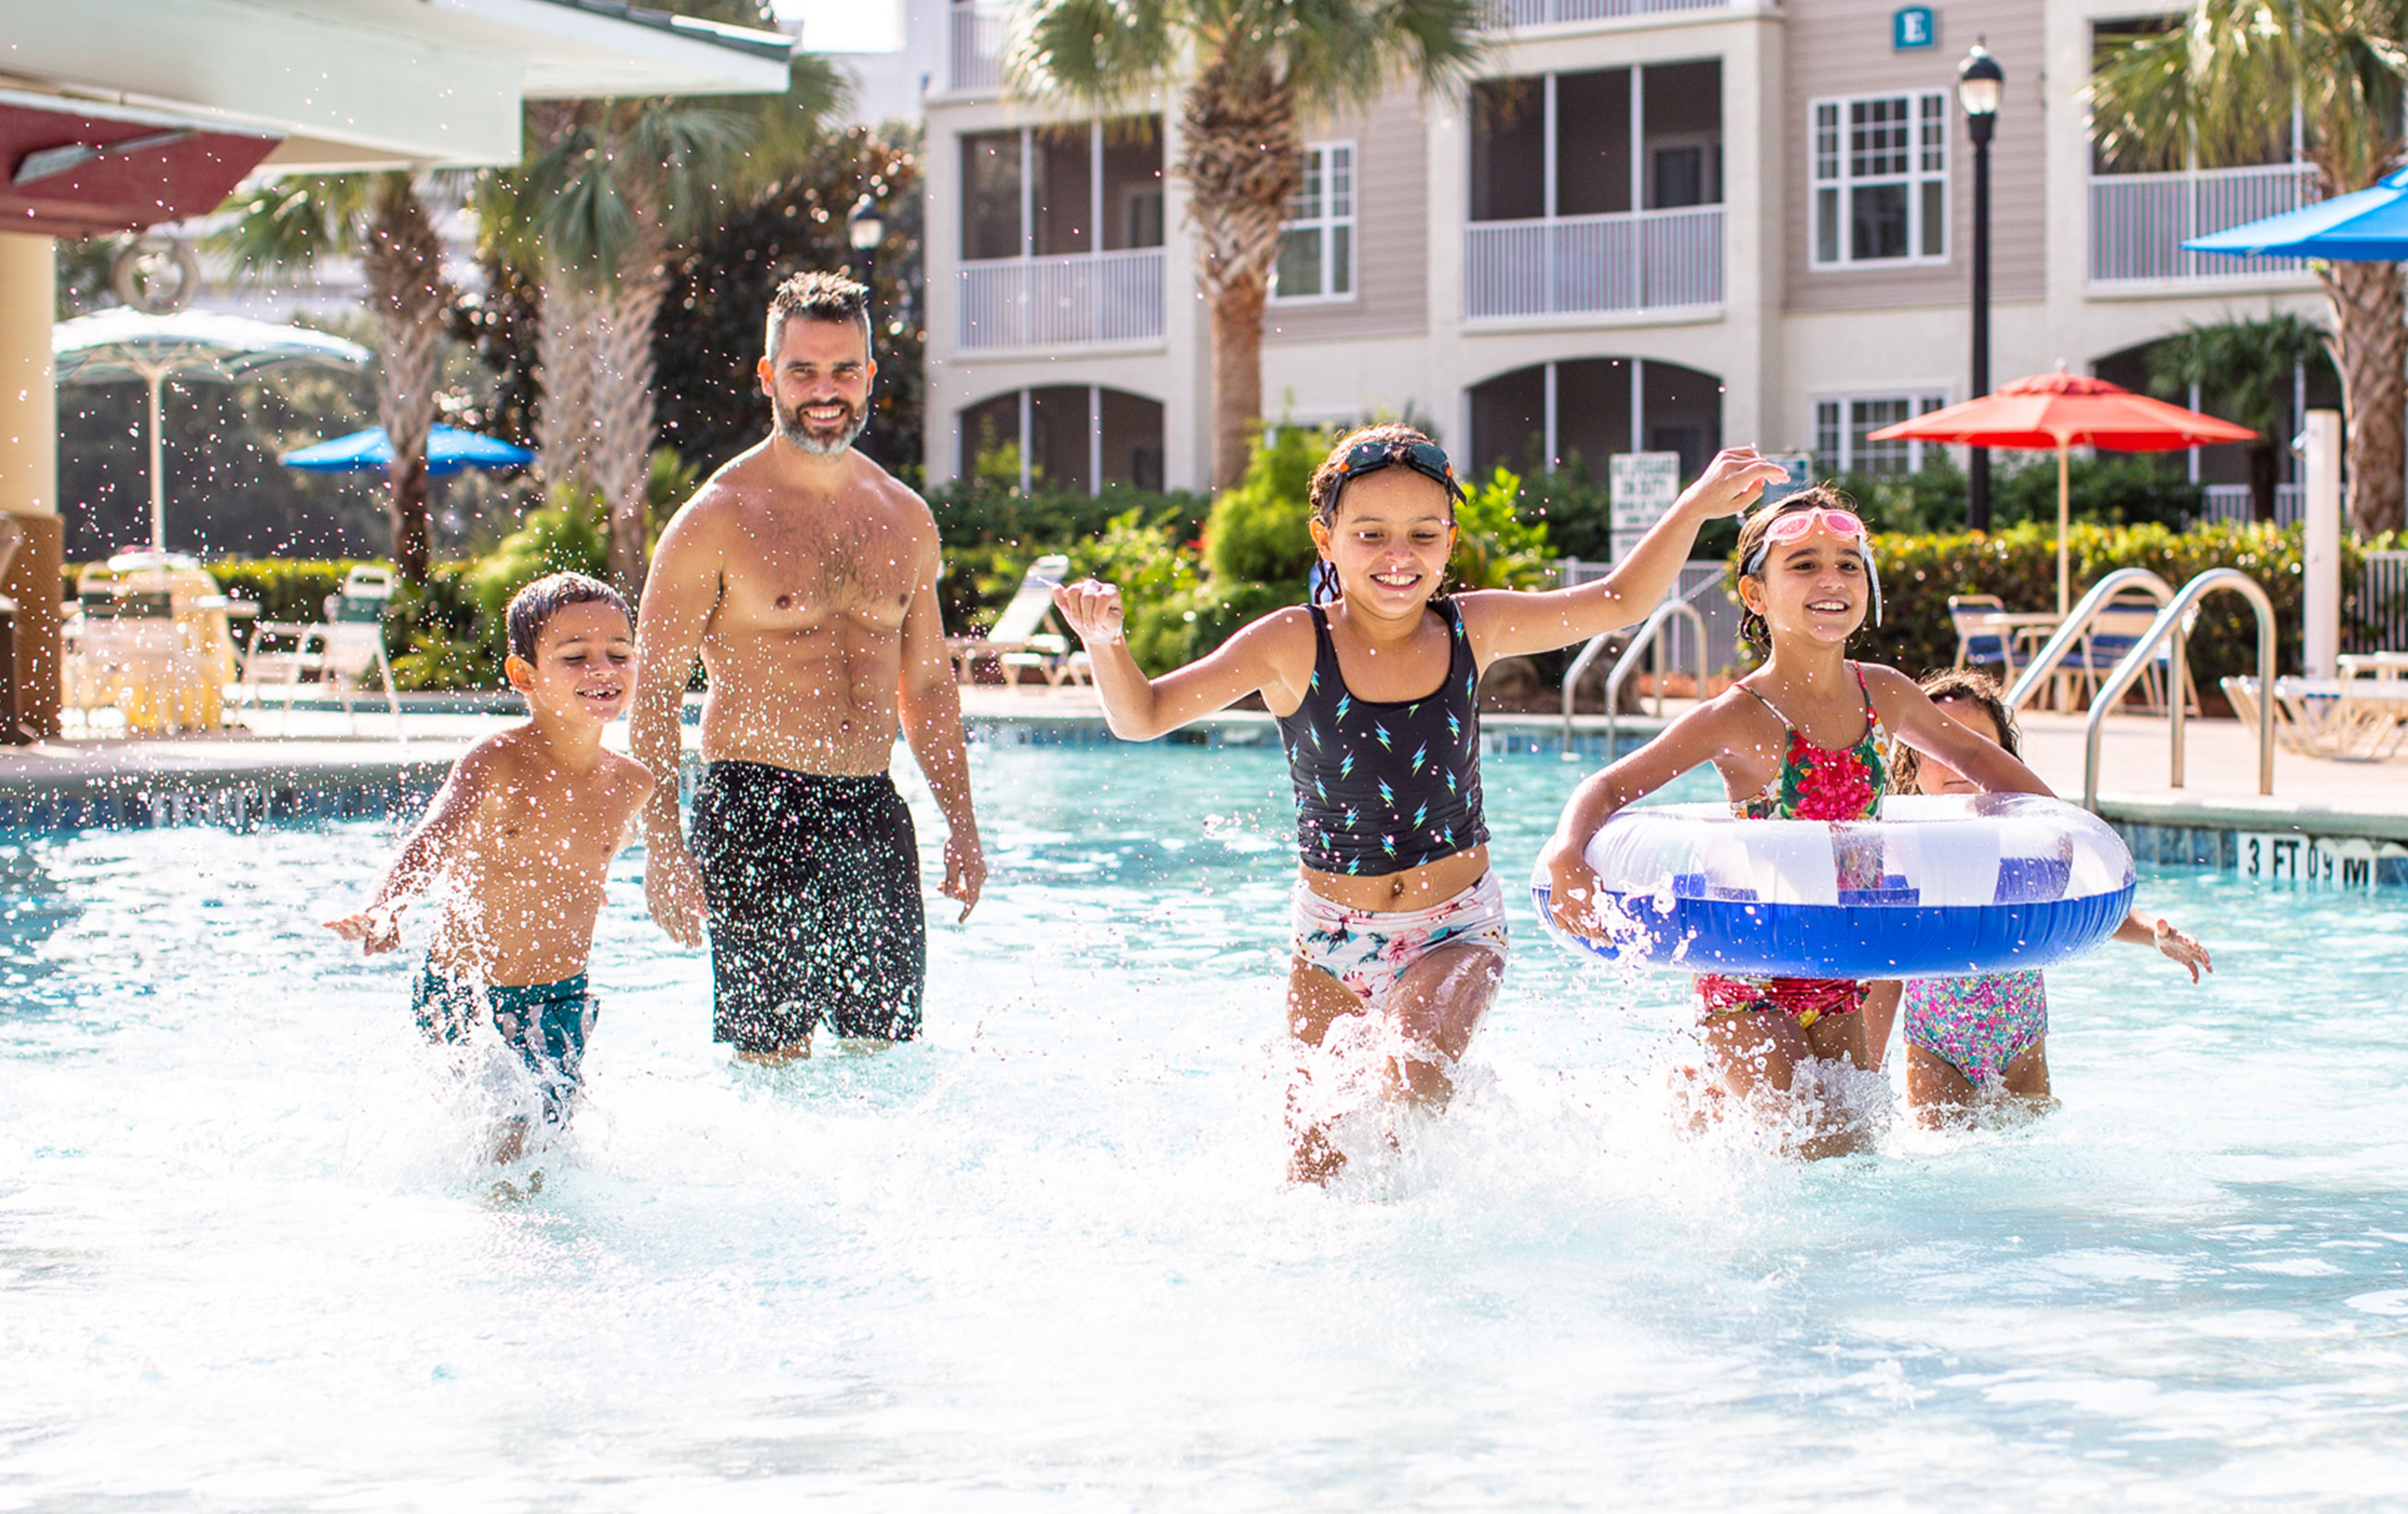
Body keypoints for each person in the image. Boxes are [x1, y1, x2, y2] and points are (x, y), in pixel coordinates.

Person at [1054, 425, 1785, 1182]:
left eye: (1422, 535)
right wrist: (1107, 644)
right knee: (1314, 1169)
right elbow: (1139, 716)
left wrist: (1696, 505)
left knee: (1407, 1085)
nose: (1398, 557)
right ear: (1325, 538)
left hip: (1454, 926)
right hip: (1329, 939)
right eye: (1369, 534)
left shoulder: (1474, 627)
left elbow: (1620, 600)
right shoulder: (1289, 643)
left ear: (1449, 541)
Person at [1540, 486, 2053, 1159]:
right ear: (1756, 594)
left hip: (1837, 976)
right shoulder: (1738, 715)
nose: (1832, 579)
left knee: (1852, 1162)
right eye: (1804, 564)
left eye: (1847, 562)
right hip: (1747, 976)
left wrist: (2055, 833)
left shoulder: (1884, 693)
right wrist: (1566, 854)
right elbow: (1608, 785)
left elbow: (1980, 759)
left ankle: (1698, 1099)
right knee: (1809, 1151)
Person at [633, 271, 986, 1065]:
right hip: (756, 808)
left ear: (870, 375)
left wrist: (962, 826)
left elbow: (926, 684)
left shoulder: (906, 517)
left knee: (887, 1059)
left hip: (870, 809)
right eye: (802, 371)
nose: (824, 392)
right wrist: (663, 848)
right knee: (773, 1073)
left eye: (843, 370)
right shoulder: (715, 519)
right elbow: (653, 695)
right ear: (768, 376)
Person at [327, 573, 656, 1164]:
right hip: (467, 995)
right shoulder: (496, 760)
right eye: (575, 657)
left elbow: (587, 859)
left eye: (619, 654)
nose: (602, 669)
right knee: (506, 1136)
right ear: (524, 675)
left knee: (545, 1153)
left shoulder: (631, 784)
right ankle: (499, 1252)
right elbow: (433, 837)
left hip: (561, 1000)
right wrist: (388, 904)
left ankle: (531, 1246)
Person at [1871, 666, 2212, 1123]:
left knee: (2025, 1154)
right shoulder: (1904, 846)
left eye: (1972, 745)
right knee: (1942, 1157)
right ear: (1911, 764)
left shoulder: (2022, 839)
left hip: (2021, 1039)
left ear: (2000, 759)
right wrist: (1865, 1070)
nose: (1955, 759)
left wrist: (2153, 933)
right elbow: (1884, 961)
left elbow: (2079, 899)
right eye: (1938, 746)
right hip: (1936, 1045)